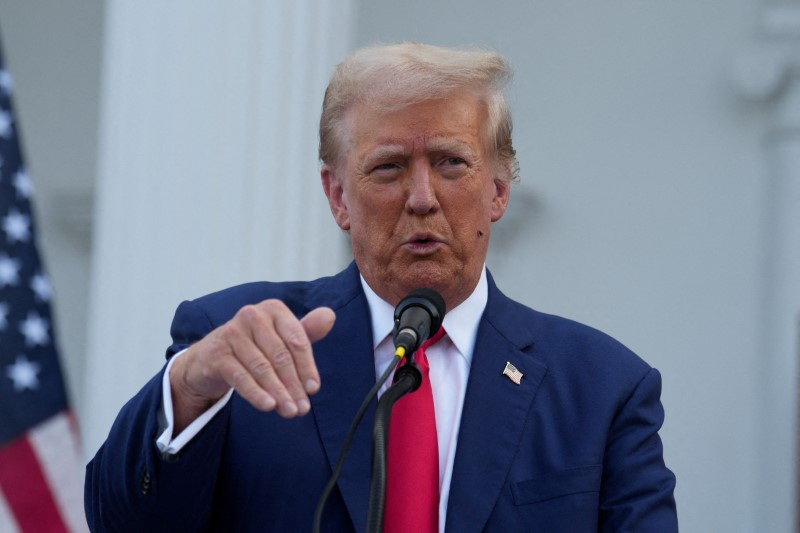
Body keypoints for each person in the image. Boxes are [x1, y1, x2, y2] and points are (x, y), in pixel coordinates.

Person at [84, 42, 678, 532]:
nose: (422, 198)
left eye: (451, 163)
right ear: (339, 196)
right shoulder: (241, 346)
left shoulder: (601, 388)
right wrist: (189, 386)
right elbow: (119, 521)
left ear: (498, 189)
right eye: (388, 167)